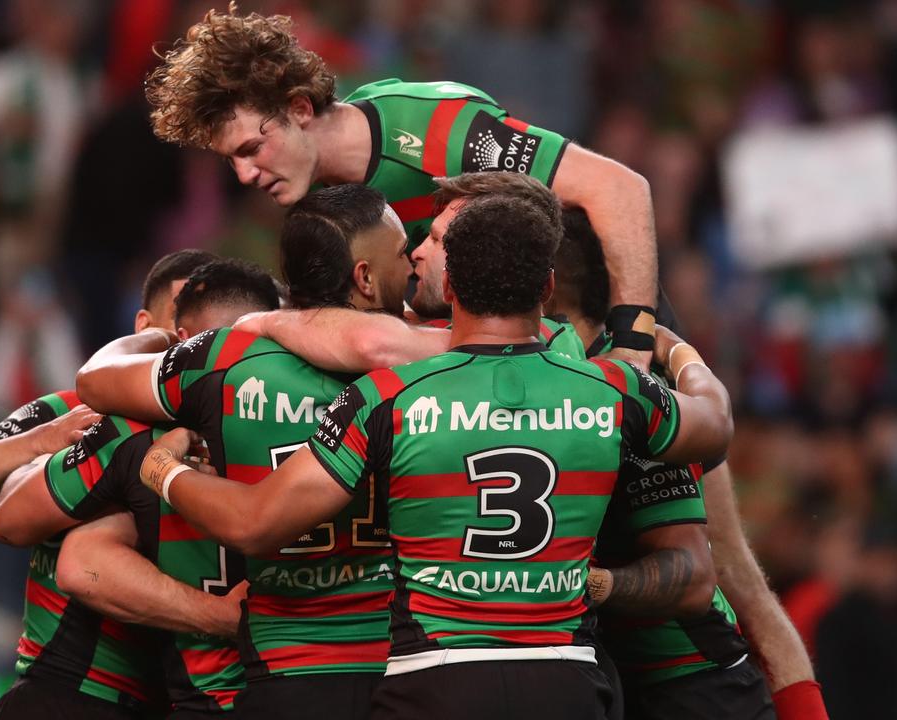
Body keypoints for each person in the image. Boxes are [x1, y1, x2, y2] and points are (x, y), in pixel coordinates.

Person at [137, 194, 733, 720]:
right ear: (546, 288)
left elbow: (258, 522)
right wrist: (682, 355)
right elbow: (715, 425)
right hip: (566, 673)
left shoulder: (387, 396)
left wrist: (165, 474)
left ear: (449, 289)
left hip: (434, 678)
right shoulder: (608, 386)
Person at [146, 5, 660, 363]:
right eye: (230, 162)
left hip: (601, 338)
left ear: (300, 108)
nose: (244, 176)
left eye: (251, 150)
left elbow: (621, 189)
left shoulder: (437, 132)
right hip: (519, 361)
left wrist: (632, 345)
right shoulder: (325, 201)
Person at [73, 185, 413, 720]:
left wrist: (155, 338)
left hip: (281, 671)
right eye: (402, 253)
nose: (413, 262)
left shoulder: (225, 355)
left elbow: (94, 380)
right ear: (365, 278)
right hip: (397, 665)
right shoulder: (425, 365)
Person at [0, 249, 240, 719]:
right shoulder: (72, 414)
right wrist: (40, 441)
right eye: (183, 320)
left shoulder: (238, 435)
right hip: (66, 698)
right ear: (144, 327)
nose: (197, 342)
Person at [559, 212, 828, 719]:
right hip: (605, 675)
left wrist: (593, 585)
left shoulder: (624, 392)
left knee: (737, 571)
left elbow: (702, 576)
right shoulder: (543, 369)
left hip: (689, 681)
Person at [0, 258, 282, 718]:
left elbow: (21, 528)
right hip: (99, 696)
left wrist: (161, 467)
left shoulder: (134, 435)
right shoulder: (335, 414)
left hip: (180, 699)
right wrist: (38, 440)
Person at [234, 172, 586, 368]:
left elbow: (373, 343)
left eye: (435, 240)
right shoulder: (409, 321)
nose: (417, 253)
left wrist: (268, 321)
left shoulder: (551, 342)